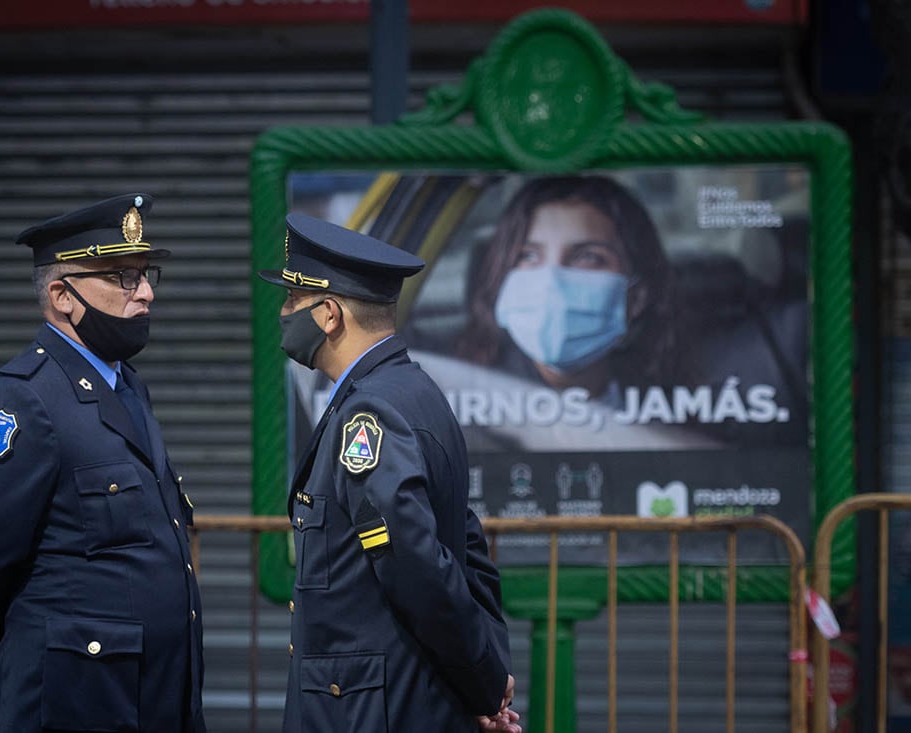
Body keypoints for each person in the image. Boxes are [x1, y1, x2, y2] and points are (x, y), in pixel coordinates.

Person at [0, 193, 205, 732]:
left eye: (145, 274)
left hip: (149, 699)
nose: (146, 292)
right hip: (72, 702)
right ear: (63, 295)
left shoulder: (127, 387)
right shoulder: (22, 402)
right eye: (123, 278)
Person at [260, 212, 520, 732]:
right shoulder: (415, 392)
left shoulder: (370, 413)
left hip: (369, 711)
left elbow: (418, 565)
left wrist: (484, 685)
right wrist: (486, 676)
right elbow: (468, 549)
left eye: (292, 300)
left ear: (329, 314)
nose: (284, 311)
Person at [457, 175, 681, 401]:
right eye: (528, 256)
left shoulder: (679, 408)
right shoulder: (463, 401)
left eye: (588, 257)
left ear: (637, 296)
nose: (552, 282)